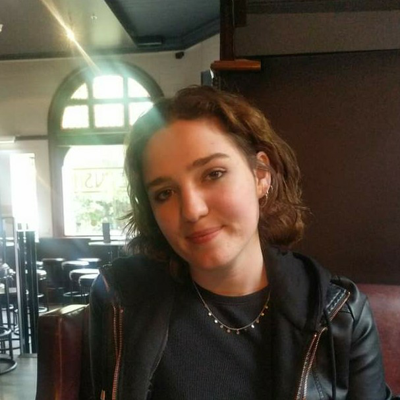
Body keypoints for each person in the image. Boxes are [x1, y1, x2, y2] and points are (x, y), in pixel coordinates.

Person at [90, 85, 392, 399]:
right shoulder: (121, 299)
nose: (192, 210)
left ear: (261, 175)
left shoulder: (340, 312)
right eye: (164, 193)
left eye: (213, 174)